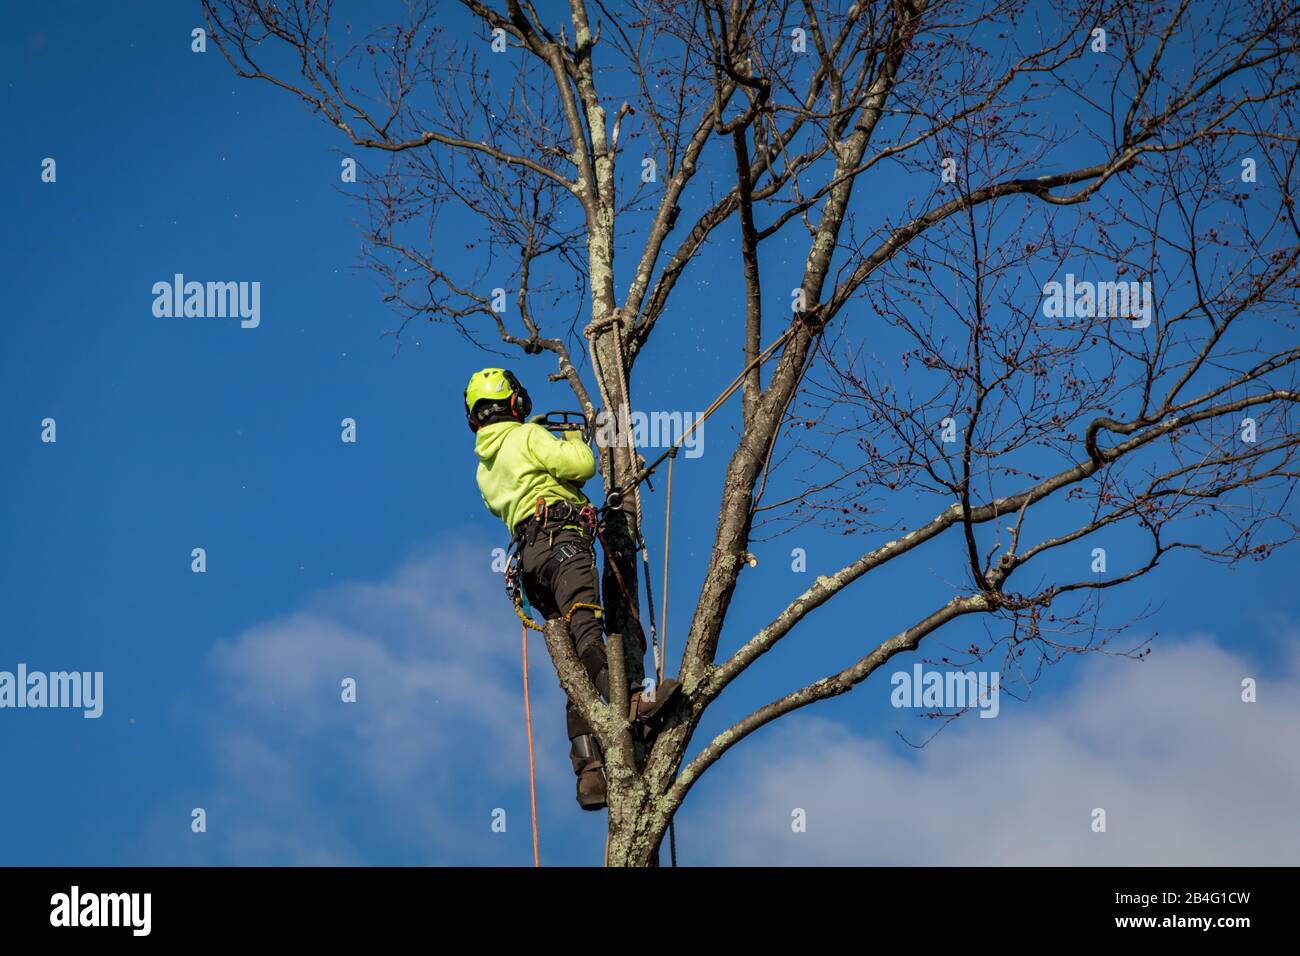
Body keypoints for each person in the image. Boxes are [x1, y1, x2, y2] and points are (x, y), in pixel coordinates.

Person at [465, 367, 679, 810]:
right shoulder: (526, 437)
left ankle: (589, 771)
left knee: (575, 669)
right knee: (587, 632)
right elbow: (581, 466)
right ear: (514, 403)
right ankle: (634, 703)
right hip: (562, 541)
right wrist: (574, 440)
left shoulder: (485, 468)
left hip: (530, 564)